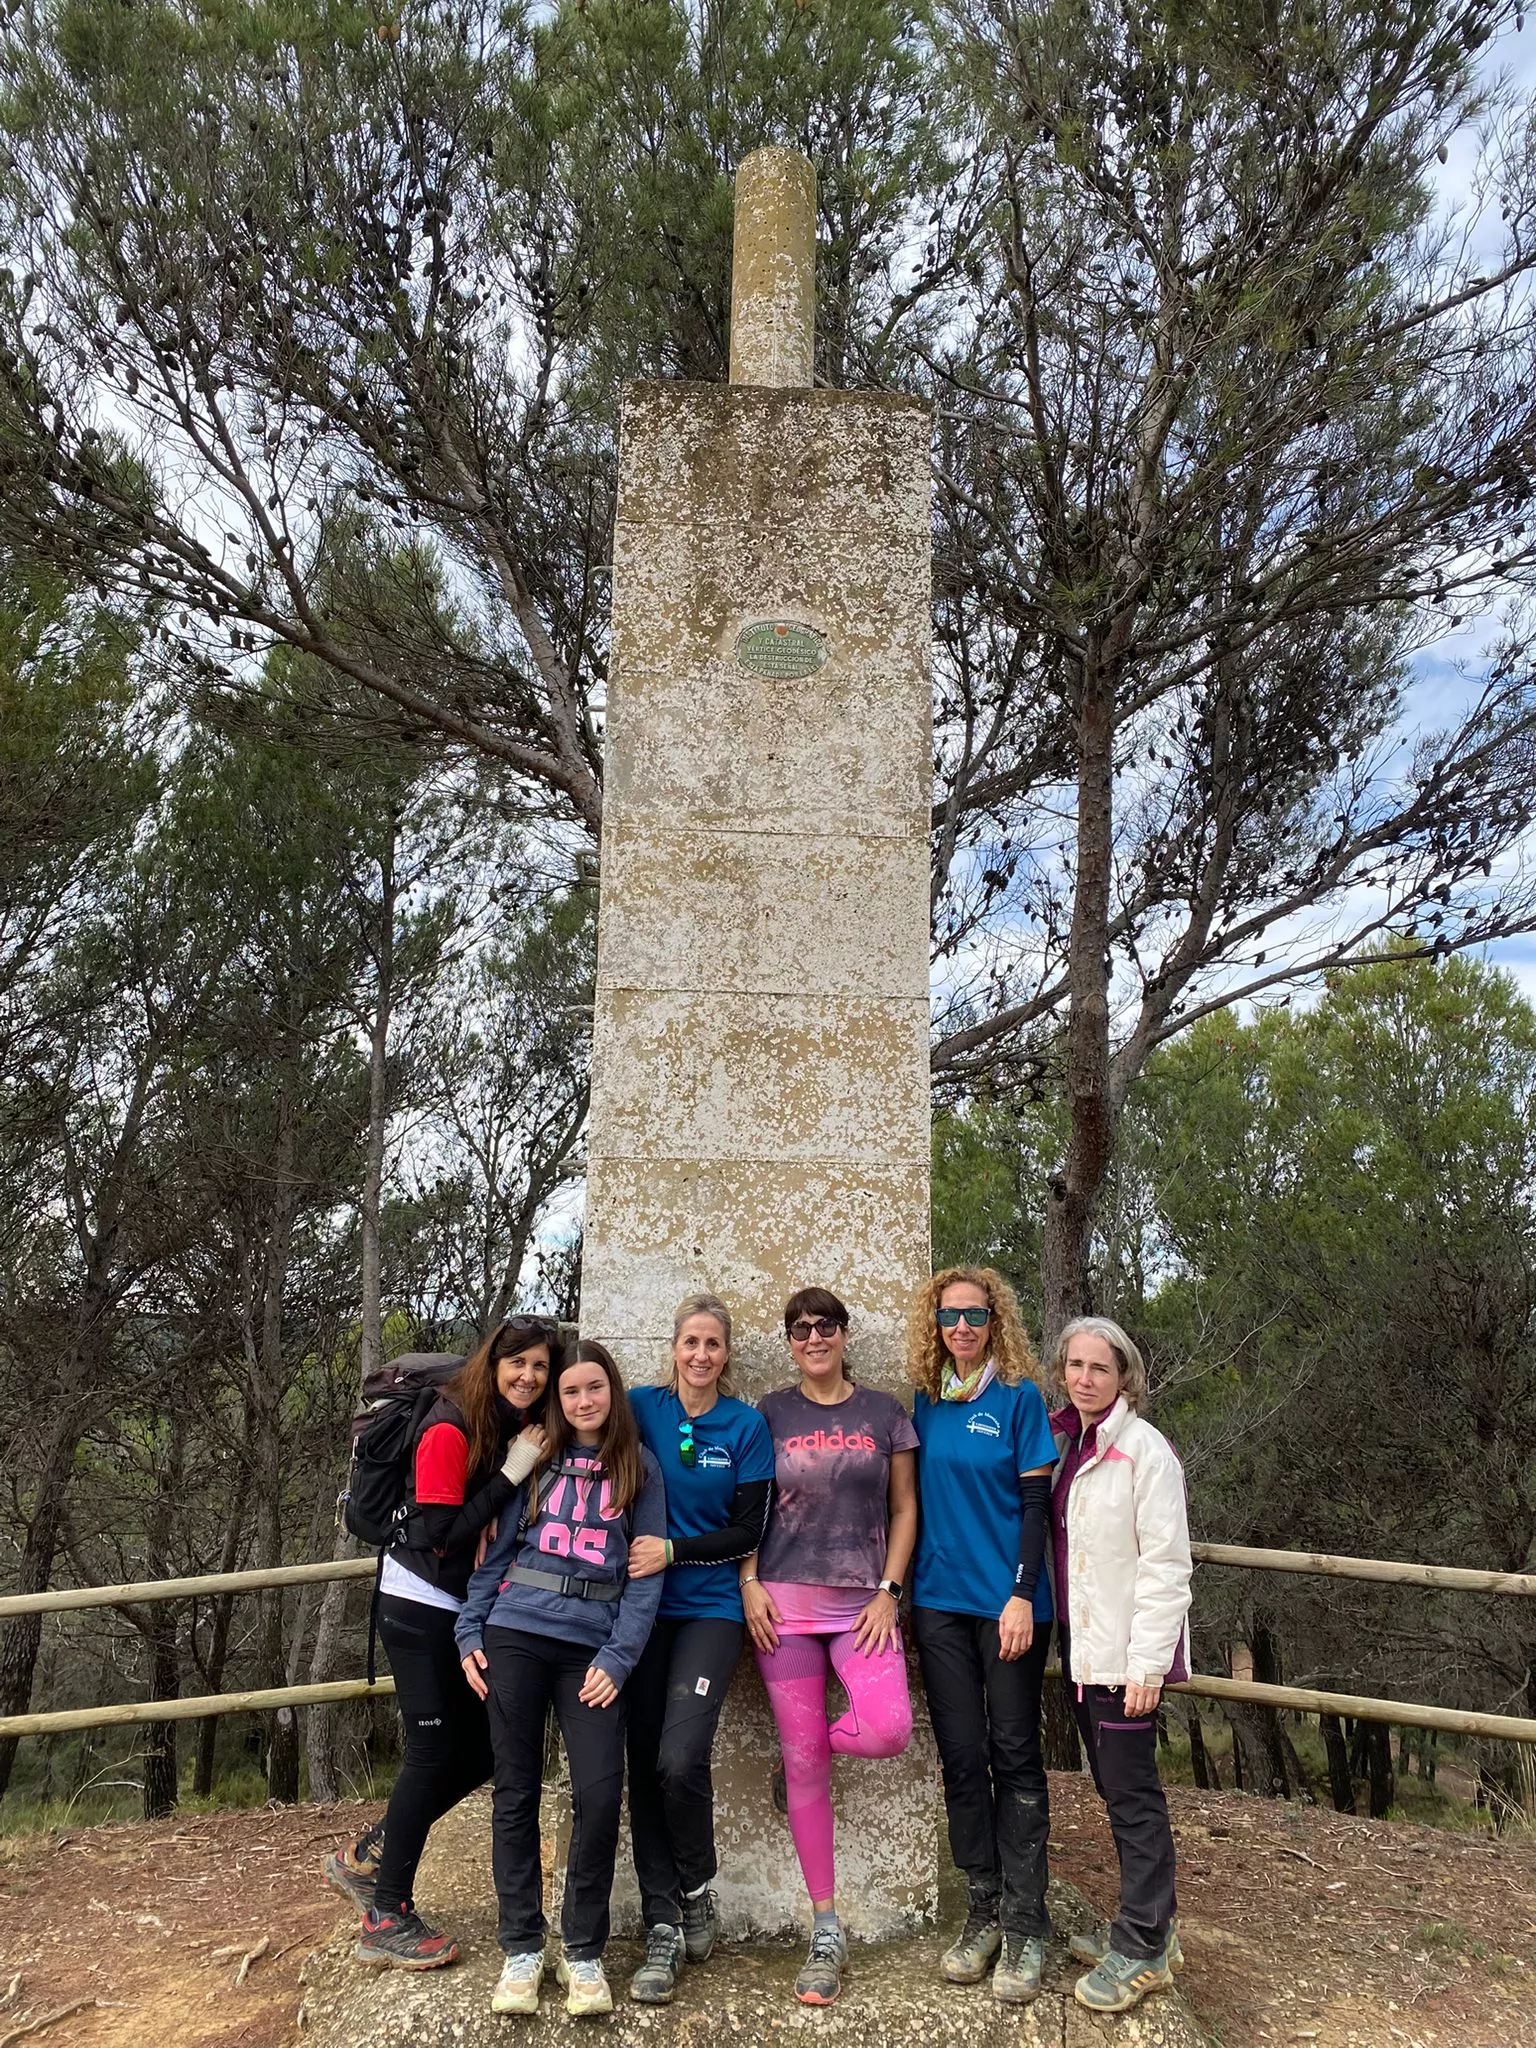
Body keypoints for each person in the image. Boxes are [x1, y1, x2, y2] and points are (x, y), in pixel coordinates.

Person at [326, 1318, 554, 1969]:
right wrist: (511, 1475)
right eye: (518, 1364)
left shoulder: (495, 1419)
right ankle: (385, 1914)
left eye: (539, 1368)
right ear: (493, 1363)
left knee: (484, 1748)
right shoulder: (450, 1427)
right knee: (431, 1752)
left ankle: (369, 1856)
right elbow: (441, 1534)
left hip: (450, 1607)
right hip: (416, 1604)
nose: (529, 1378)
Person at [456, 1339, 666, 2020]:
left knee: (600, 1795)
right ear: (558, 1400)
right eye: (570, 1391)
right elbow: (498, 1553)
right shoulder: (539, 1461)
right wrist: (469, 1628)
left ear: (613, 1391)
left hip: (592, 1652)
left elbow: (644, 1578)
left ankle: (583, 1952)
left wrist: (618, 1657)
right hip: (514, 1634)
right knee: (514, 1789)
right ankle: (521, 1948)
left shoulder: (639, 1469)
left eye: (594, 1388)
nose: (582, 1401)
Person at [739, 1287, 918, 2008]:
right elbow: (745, 1508)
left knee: (886, 1729)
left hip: (861, 1608)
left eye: (826, 1326)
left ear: (844, 1334)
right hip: (782, 1607)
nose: (814, 1337)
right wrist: (749, 1582)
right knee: (806, 1764)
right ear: (789, 1341)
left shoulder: (884, 1414)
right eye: (801, 1329)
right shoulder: (769, 1414)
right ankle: (825, 1927)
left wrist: (890, 1591)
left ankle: (804, 1754)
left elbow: (905, 1508)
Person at [907, 1266, 1057, 2004]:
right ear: (934, 1327)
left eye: (974, 1316)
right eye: (948, 1318)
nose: (961, 1328)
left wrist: (1022, 1593)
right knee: (962, 1757)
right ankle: (985, 1910)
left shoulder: (1019, 1399)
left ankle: (1029, 1927)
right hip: (938, 1604)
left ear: (995, 1323)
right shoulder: (926, 1404)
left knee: (1014, 1752)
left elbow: (1035, 1507)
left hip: (1009, 1608)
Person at [625, 1294, 775, 2004]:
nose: (701, 1355)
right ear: (674, 1345)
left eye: (713, 1344)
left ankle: (696, 1886)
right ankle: (661, 1922)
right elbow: (583, 1445)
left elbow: (749, 1532)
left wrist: (675, 1548)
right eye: (691, 1341)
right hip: (637, 1613)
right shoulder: (641, 1407)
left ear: (726, 1354)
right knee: (641, 1759)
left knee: (679, 1758)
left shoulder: (746, 1427)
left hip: (711, 1608)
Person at [1048, 1315, 1192, 2015]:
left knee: (1134, 1800)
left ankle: (1142, 1948)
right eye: (1075, 1366)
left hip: (1124, 1659)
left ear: (1124, 1377)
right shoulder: (1067, 1443)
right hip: (1083, 1649)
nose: (1085, 1378)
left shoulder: (1144, 1451)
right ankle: (1150, 1930)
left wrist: (1147, 1667)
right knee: (1114, 1788)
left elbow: (1166, 1567)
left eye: (1099, 1368)